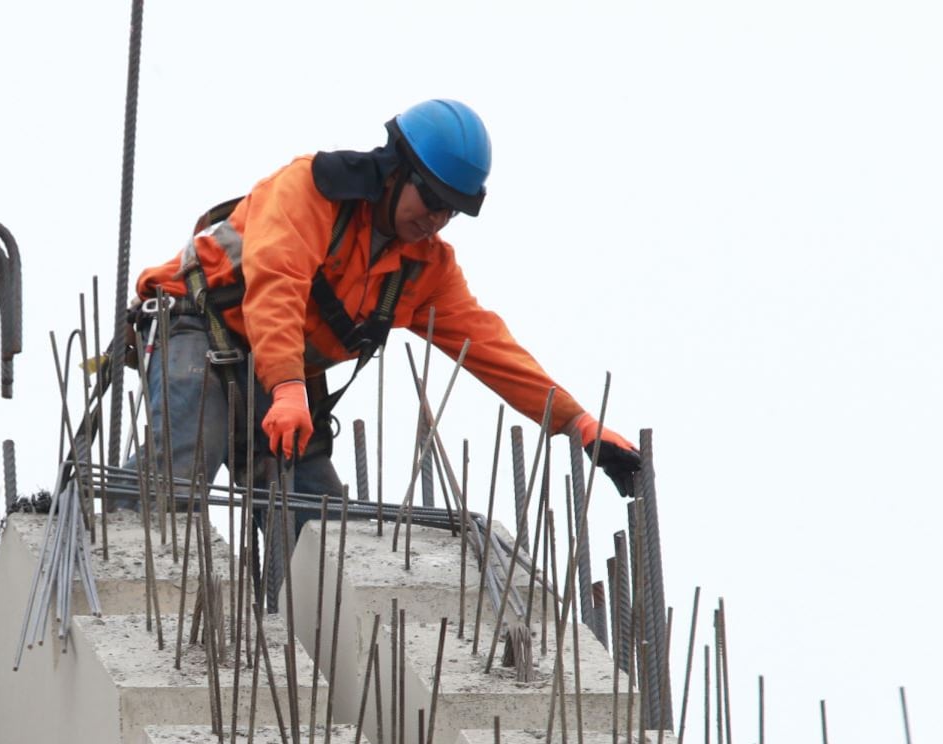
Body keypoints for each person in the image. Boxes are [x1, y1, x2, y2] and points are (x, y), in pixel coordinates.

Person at [130, 98, 643, 504]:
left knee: (318, 522)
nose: (436, 219)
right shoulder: (311, 190)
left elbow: (490, 348)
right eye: (432, 199)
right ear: (396, 170)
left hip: (276, 373)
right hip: (198, 324)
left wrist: (577, 422)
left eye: (451, 210)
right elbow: (276, 286)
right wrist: (288, 388)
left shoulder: (425, 269)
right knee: (183, 464)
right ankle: (98, 541)